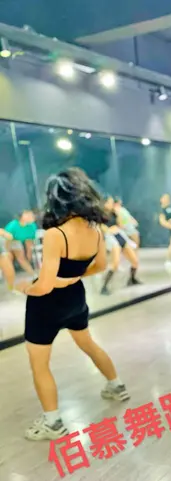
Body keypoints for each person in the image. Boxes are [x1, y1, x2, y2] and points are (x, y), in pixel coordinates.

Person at [15, 169, 130, 441]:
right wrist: (74, 277)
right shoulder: (95, 230)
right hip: (75, 298)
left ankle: (53, 423)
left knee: (39, 364)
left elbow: (45, 285)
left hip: (46, 306)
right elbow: (100, 265)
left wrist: (26, 288)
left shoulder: (56, 234)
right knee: (88, 343)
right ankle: (117, 386)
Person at [101, 199, 141, 295]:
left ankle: (132, 279)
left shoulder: (114, 213)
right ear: (105, 203)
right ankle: (104, 287)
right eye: (109, 202)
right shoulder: (100, 214)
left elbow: (121, 225)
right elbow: (101, 226)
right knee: (115, 264)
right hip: (111, 237)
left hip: (120, 235)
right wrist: (109, 230)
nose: (111, 204)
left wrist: (119, 215)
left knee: (135, 261)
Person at [4, 210, 37, 278]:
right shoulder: (13, 225)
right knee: (7, 258)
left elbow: (29, 241)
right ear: (22, 217)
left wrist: (29, 252)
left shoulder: (32, 226)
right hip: (4, 240)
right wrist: (6, 251)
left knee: (21, 259)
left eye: (32, 215)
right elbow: (6, 239)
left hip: (16, 240)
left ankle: (34, 275)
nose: (31, 216)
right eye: (27, 214)